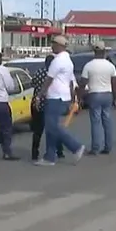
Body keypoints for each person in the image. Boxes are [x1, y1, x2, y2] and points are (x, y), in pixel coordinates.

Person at [33, 35, 86, 166]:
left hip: (55, 97)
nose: (52, 46)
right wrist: (73, 98)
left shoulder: (57, 61)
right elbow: (71, 82)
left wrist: (39, 96)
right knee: (51, 128)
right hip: (63, 96)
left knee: (53, 127)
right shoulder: (68, 60)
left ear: (59, 46)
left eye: (53, 44)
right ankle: (50, 156)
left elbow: (48, 80)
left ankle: (75, 147)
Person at [80, 42, 116, 155]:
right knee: (107, 121)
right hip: (107, 94)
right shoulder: (110, 65)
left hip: (94, 94)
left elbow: (83, 83)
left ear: (94, 52)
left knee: (95, 122)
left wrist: (80, 96)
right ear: (104, 51)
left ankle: (95, 148)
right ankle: (108, 146)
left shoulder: (89, 65)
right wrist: (115, 98)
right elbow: (114, 82)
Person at [29, 54, 65, 161]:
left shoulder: (39, 72)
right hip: (51, 104)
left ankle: (34, 153)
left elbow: (33, 83)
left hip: (38, 104)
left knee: (37, 131)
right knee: (55, 128)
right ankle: (59, 151)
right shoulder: (56, 75)